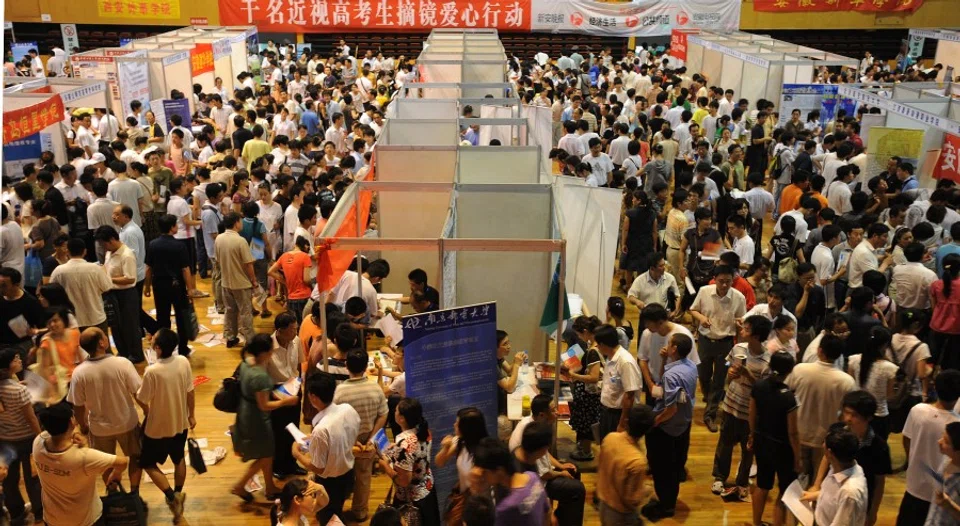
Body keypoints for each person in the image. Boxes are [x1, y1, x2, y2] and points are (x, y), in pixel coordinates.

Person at [67, 327, 144, 493]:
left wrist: (82, 426)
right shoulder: (122, 364)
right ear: (102, 343)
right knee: (135, 458)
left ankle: (114, 494)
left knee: (106, 462)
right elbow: (137, 392)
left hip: (99, 428)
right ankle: (135, 493)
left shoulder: (79, 373)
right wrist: (148, 411)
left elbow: (78, 405)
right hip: (127, 423)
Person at [32, 400, 129, 526]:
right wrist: (116, 473)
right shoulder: (85, 457)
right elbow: (122, 462)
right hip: (86, 521)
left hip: (52, 519)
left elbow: (56, 433)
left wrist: (75, 433)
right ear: (72, 421)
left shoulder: (38, 444)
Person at [230, 334, 300, 502]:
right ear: (263, 353)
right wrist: (286, 401)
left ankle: (269, 487)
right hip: (256, 418)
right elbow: (264, 405)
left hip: (246, 411)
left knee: (267, 453)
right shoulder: (260, 376)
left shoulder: (247, 362)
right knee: (265, 455)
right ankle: (240, 486)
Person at [711, 315, 773, 501]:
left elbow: (764, 390)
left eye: (746, 329)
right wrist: (731, 372)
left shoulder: (768, 360)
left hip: (751, 413)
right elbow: (729, 368)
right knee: (725, 444)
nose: (741, 331)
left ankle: (742, 482)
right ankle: (720, 477)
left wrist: (748, 374)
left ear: (756, 336)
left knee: (748, 450)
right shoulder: (738, 348)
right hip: (731, 405)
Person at [136, 328, 195, 522]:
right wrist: (192, 415)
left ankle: (172, 497)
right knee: (179, 459)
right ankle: (178, 493)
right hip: (180, 421)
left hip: (157, 427)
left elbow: (142, 398)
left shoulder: (152, 371)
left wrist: (141, 403)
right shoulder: (183, 362)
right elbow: (190, 391)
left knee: (147, 463)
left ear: (158, 349)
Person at [809, 391, 892, 526]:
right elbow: (827, 458)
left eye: (854, 415)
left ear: (868, 417)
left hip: (855, 499)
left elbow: (879, 482)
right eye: (846, 412)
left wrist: (873, 512)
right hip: (831, 494)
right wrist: (817, 485)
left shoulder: (878, 446)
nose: (847, 418)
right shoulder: (837, 431)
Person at [785, 333, 857, 483]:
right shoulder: (846, 381)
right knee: (818, 484)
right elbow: (847, 413)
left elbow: (786, 395)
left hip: (798, 434)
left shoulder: (800, 370)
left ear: (819, 350)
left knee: (794, 483)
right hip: (826, 441)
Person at [292, 372, 361, 524]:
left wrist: (297, 455)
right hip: (348, 473)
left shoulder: (321, 429)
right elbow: (348, 434)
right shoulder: (347, 409)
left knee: (327, 517)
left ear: (313, 397)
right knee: (337, 511)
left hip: (330, 483)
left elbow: (319, 468)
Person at [643, 332, 698, 521]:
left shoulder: (673, 375)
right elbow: (667, 387)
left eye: (670, 343)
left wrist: (655, 422)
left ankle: (666, 506)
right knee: (674, 467)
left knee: (662, 469)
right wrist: (665, 360)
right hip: (683, 424)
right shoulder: (690, 366)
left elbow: (671, 408)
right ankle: (668, 502)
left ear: (674, 348)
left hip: (667, 427)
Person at [509, 395, 585, 526]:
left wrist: (561, 466)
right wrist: (561, 473)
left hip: (541, 474)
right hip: (537, 479)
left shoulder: (534, 424)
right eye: (553, 410)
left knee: (573, 469)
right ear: (542, 415)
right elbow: (543, 474)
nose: (557, 413)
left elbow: (545, 454)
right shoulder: (531, 433)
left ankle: (562, 518)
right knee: (577, 489)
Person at [689, 265, 747, 431]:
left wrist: (740, 328)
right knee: (703, 375)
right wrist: (702, 318)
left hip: (726, 342)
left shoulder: (739, 297)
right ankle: (710, 400)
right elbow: (693, 309)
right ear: (715, 279)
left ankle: (710, 414)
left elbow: (741, 320)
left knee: (720, 379)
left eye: (728, 282)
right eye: (721, 281)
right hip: (706, 341)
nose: (724, 285)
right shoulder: (705, 291)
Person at [333, 348, 388, 523]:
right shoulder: (375, 389)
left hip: (347, 440)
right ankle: (360, 511)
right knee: (364, 476)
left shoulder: (340, 391)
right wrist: (372, 437)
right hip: (368, 439)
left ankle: (336, 511)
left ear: (347, 365)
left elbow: (336, 420)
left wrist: (352, 439)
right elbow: (383, 414)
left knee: (341, 474)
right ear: (366, 366)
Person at [899, 370, 960, 524]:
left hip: (914, 487)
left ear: (934, 387)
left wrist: (912, 460)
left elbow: (906, 439)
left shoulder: (918, 410)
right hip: (944, 495)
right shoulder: (956, 425)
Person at [749, 351, 800, 526]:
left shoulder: (759, 386)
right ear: (789, 370)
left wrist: (752, 435)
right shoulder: (788, 397)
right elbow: (793, 432)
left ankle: (757, 522)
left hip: (762, 441)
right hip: (783, 448)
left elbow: (752, 415)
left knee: (762, 485)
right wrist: (798, 457)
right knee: (784, 489)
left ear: (770, 365)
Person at [378, 398, 442, 526]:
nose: (394, 412)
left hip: (412, 498)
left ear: (402, 418)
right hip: (426, 487)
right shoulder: (424, 431)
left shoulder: (405, 444)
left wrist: (385, 466)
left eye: (396, 410)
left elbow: (403, 480)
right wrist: (396, 449)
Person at [0, 348, 42, 526]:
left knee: (9, 479)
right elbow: (31, 418)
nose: (20, 361)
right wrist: (40, 437)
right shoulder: (19, 391)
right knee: (32, 476)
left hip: (5, 439)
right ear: (9, 365)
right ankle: (39, 512)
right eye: (16, 359)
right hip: (26, 438)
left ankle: (16, 513)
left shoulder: (11, 388)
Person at [144, 214, 194, 357]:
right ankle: (183, 348)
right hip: (177, 285)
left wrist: (147, 287)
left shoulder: (153, 244)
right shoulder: (180, 245)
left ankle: (165, 349)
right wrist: (190, 289)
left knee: (163, 318)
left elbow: (148, 268)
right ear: (172, 228)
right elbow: (185, 269)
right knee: (181, 317)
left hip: (159, 284)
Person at [470, 437, 551, 526]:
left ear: (499, 470)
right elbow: (547, 513)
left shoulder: (506, 508)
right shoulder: (533, 477)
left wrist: (476, 491)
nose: (483, 476)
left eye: (484, 472)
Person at [596, 405, 655, 526]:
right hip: (621, 516)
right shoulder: (637, 461)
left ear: (627, 421)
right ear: (648, 430)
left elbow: (600, 465)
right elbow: (631, 499)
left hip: (603, 506)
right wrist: (647, 490)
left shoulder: (610, 438)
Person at [94, 226, 144, 367]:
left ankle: (136, 354)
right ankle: (123, 352)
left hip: (126, 294)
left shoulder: (127, 254)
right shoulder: (110, 252)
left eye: (104, 243)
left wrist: (108, 279)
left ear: (111, 240)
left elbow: (130, 279)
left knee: (130, 326)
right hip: (112, 294)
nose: (103, 247)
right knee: (116, 325)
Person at [800, 426, 869, 526]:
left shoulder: (849, 493)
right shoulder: (840, 465)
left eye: (824, 442)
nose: (822, 444)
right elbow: (835, 496)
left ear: (829, 453)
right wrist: (815, 495)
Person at [268, 312, 307, 480]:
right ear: (280, 330)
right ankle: (277, 465)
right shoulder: (268, 346)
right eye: (292, 329)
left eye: (296, 328)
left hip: (294, 387)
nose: (295, 332)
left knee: (293, 428)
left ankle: (291, 463)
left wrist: (300, 382)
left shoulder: (296, 341)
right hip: (276, 391)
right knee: (278, 431)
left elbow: (299, 363)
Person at [434, 407, 488, 524]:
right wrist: (445, 447)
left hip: (480, 504)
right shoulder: (460, 442)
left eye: (457, 423)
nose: (454, 425)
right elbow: (439, 462)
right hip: (464, 498)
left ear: (467, 428)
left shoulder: (485, 451)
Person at [49, 238, 112, 332]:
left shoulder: (59, 271)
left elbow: (51, 291)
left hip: (72, 320)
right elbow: (107, 287)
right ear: (85, 251)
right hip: (95, 317)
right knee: (101, 346)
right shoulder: (95, 269)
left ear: (67, 251)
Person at [847, 327, 899, 440]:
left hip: (857, 411)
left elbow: (850, 384)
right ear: (884, 346)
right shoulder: (890, 368)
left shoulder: (853, 360)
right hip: (879, 414)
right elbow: (890, 396)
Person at [215, 212, 257, 348]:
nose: (242, 223)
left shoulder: (219, 239)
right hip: (241, 282)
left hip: (226, 281)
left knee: (230, 311)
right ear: (236, 223)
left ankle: (230, 337)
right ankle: (250, 340)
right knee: (245, 312)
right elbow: (248, 264)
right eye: (240, 221)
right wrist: (254, 281)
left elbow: (217, 260)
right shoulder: (240, 241)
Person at [563, 315, 602, 461]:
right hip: (586, 394)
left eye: (579, 334)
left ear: (585, 331)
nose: (579, 337)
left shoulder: (593, 350)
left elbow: (593, 377)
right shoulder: (594, 346)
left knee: (586, 425)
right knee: (585, 424)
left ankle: (586, 452)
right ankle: (583, 447)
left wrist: (574, 375)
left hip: (588, 396)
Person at [889, 309, 933, 434]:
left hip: (892, 391)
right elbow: (921, 374)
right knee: (910, 432)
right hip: (911, 394)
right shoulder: (921, 346)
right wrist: (929, 370)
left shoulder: (890, 339)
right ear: (916, 325)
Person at [597, 324, 642, 441]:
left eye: (598, 345)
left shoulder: (625, 362)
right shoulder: (610, 357)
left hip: (618, 415)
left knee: (615, 452)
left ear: (602, 344)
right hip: (607, 412)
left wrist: (622, 423)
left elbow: (630, 395)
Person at [269, 235, 313, 323]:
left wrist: (284, 282)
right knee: (305, 324)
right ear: (304, 246)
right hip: (304, 296)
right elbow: (306, 279)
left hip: (291, 297)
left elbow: (270, 272)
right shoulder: (305, 257)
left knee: (294, 324)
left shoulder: (284, 256)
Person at [924, 421, 960, 525]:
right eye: (942, 437)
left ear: (958, 452)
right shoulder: (945, 459)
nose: (939, 442)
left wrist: (949, 505)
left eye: (946, 441)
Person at [495, 330, 526, 439]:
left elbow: (509, 370)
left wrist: (517, 360)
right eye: (505, 344)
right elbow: (509, 387)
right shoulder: (491, 363)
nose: (509, 346)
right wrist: (517, 364)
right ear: (496, 347)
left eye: (509, 342)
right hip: (495, 405)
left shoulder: (498, 358)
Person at [931, 254, 960, 370]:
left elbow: (934, 306)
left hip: (937, 324)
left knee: (934, 355)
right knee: (953, 358)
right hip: (956, 328)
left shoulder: (936, 284)